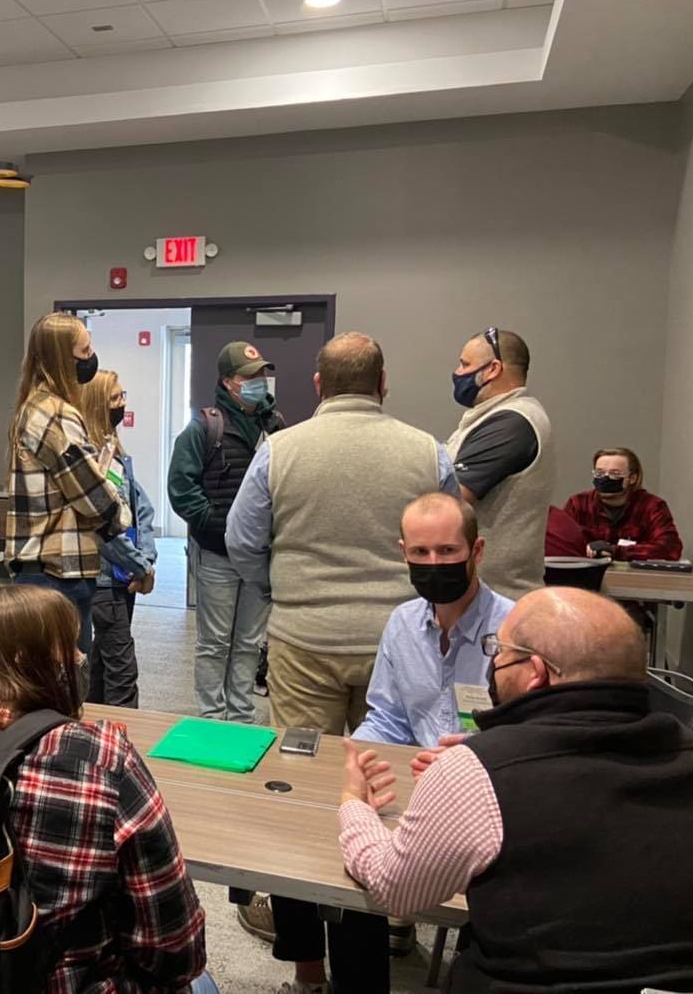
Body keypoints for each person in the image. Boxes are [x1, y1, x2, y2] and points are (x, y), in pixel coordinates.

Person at [340, 588, 693, 993]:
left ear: (535, 671)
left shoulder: (478, 771)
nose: (493, 662)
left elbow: (396, 889)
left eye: (498, 651)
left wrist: (354, 805)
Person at [225, 333, 455, 990]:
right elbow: (450, 534)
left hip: (305, 640)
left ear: (319, 386)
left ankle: (308, 969)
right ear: (384, 383)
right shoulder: (427, 451)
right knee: (393, 786)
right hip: (403, 640)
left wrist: (285, 593)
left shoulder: (279, 450)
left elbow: (243, 542)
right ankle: (398, 916)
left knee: (302, 792)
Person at [0, 584, 208, 994]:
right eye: (70, 648)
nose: (80, 658)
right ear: (30, 661)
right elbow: (174, 946)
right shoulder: (103, 760)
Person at [168, 341, 282, 722]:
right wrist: (216, 524)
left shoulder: (274, 428)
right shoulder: (204, 427)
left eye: (261, 375)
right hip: (217, 553)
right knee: (215, 642)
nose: (258, 382)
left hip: (259, 556)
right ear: (228, 381)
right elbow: (181, 490)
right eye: (248, 377)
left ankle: (242, 714)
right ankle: (213, 716)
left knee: (249, 642)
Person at [5, 312, 130, 653]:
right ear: (64, 358)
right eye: (85, 351)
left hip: (48, 572)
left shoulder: (34, 407)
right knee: (65, 687)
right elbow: (94, 498)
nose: (91, 359)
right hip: (56, 575)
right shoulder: (55, 413)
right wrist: (121, 514)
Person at [355, 493, 514, 750]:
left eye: (447, 550)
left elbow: (530, 733)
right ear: (403, 553)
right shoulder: (402, 623)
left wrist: (464, 757)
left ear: (477, 551)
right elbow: (388, 719)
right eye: (420, 552)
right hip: (418, 773)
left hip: (487, 774)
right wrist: (355, 755)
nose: (433, 563)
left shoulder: (515, 629)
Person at [446, 328, 554, 598]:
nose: (458, 373)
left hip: (498, 599)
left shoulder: (512, 423)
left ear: (493, 369)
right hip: (482, 597)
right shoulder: (489, 418)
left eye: (465, 364)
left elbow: (450, 500)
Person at [81, 370, 157, 707]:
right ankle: (122, 743)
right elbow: (104, 524)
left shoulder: (115, 451)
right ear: (97, 404)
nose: (123, 403)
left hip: (122, 576)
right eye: (115, 398)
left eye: (123, 395)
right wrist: (141, 567)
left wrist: (146, 560)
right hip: (104, 581)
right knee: (121, 670)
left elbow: (142, 508)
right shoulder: (96, 460)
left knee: (101, 664)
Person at [562, 446, 682, 561]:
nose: (605, 478)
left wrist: (616, 551)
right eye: (599, 473)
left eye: (615, 474)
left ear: (632, 478)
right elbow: (560, 543)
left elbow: (670, 548)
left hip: (634, 579)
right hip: (585, 576)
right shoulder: (578, 504)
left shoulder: (652, 506)